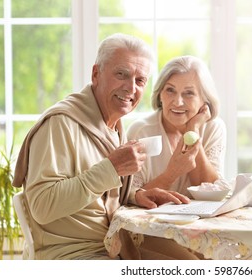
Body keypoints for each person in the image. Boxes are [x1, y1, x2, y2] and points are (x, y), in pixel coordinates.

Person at [12, 33, 198, 260]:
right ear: (96, 74)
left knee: (192, 260)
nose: (131, 88)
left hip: (112, 243)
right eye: (122, 74)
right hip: (74, 254)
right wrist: (111, 168)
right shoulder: (60, 124)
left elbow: (100, 192)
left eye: (140, 81)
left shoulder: (112, 124)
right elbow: (42, 206)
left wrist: (137, 195)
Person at [126, 55, 226, 197]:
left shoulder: (213, 128)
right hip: (152, 217)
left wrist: (193, 131)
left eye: (189, 93)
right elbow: (131, 198)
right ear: (160, 94)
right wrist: (172, 174)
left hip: (202, 219)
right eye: (170, 90)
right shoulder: (141, 131)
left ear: (205, 99)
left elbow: (210, 193)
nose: (178, 102)